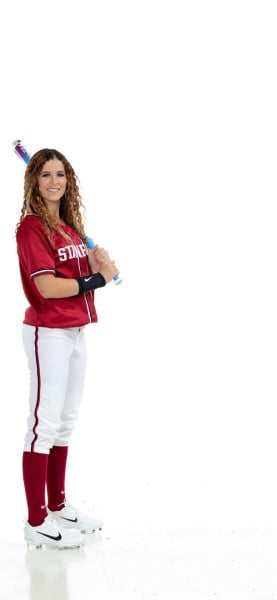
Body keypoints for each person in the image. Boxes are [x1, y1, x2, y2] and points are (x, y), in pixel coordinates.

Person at [15, 147, 119, 549]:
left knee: (66, 420)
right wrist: (99, 280)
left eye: (60, 174)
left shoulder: (68, 226)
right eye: (45, 175)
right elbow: (47, 286)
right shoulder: (31, 229)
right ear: (34, 181)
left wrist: (94, 262)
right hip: (48, 332)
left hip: (75, 331)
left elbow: (76, 276)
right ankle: (36, 521)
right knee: (43, 424)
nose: (54, 181)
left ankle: (58, 507)